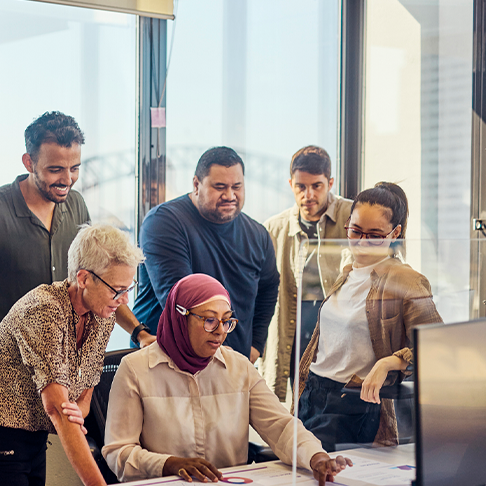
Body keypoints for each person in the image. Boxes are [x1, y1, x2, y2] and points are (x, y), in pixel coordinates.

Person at [0, 111, 142, 410]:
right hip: (2, 382)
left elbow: (98, 283)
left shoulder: (75, 205)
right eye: (56, 169)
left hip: (58, 379)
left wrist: (138, 331)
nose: (67, 179)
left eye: (75, 168)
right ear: (28, 162)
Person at [103, 274, 352, 485]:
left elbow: (281, 426)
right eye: (210, 320)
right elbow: (118, 453)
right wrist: (168, 464)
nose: (221, 331)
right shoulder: (135, 369)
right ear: (181, 317)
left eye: (226, 321)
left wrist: (316, 457)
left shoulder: (238, 367)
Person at [0, 224, 144, 486]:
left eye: (128, 289)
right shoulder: (45, 311)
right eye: (117, 290)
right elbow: (55, 407)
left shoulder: (102, 313)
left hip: (35, 436)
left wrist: (78, 409)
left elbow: (88, 384)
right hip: (1, 437)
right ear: (84, 278)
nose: (123, 300)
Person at [296, 182, 443, 451]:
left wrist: (390, 362)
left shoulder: (405, 280)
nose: (362, 243)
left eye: (375, 235)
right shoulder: (348, 271)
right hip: (312, 392)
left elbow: (438, 346)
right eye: (355, 231)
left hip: (351, 400)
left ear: (395, 233)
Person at [130, 146, 280, 362]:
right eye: (220, 187)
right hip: (166, 365)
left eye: (237, 186)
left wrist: (255, 345)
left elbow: (269, 287)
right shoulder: (163, 223)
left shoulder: (257, 234)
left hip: (232, 368)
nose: (230, 195)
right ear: (196, 184)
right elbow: (183, 302)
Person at [263, 146, 353, 402]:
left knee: (336, 407)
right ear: (291, 183)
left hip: (338, 333)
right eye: (301, 187)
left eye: (317, 186)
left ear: (330, 183)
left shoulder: (352, 216)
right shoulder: (273, 228)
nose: (308, 194)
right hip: (293, 333)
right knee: (296, 409)